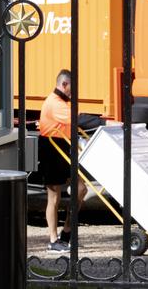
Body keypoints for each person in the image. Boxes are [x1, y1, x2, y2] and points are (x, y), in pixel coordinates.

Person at [38, 69, 88, 253]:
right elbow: (79, 119)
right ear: (64, 84)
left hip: (64, 145)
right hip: (51, 147)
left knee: (81, 188)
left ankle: (67, 231)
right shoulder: (55, 102)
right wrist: (106, 123)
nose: (73, 92)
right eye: (71, 88)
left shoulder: (62, 101)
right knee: (54, 196)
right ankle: (53, 240)